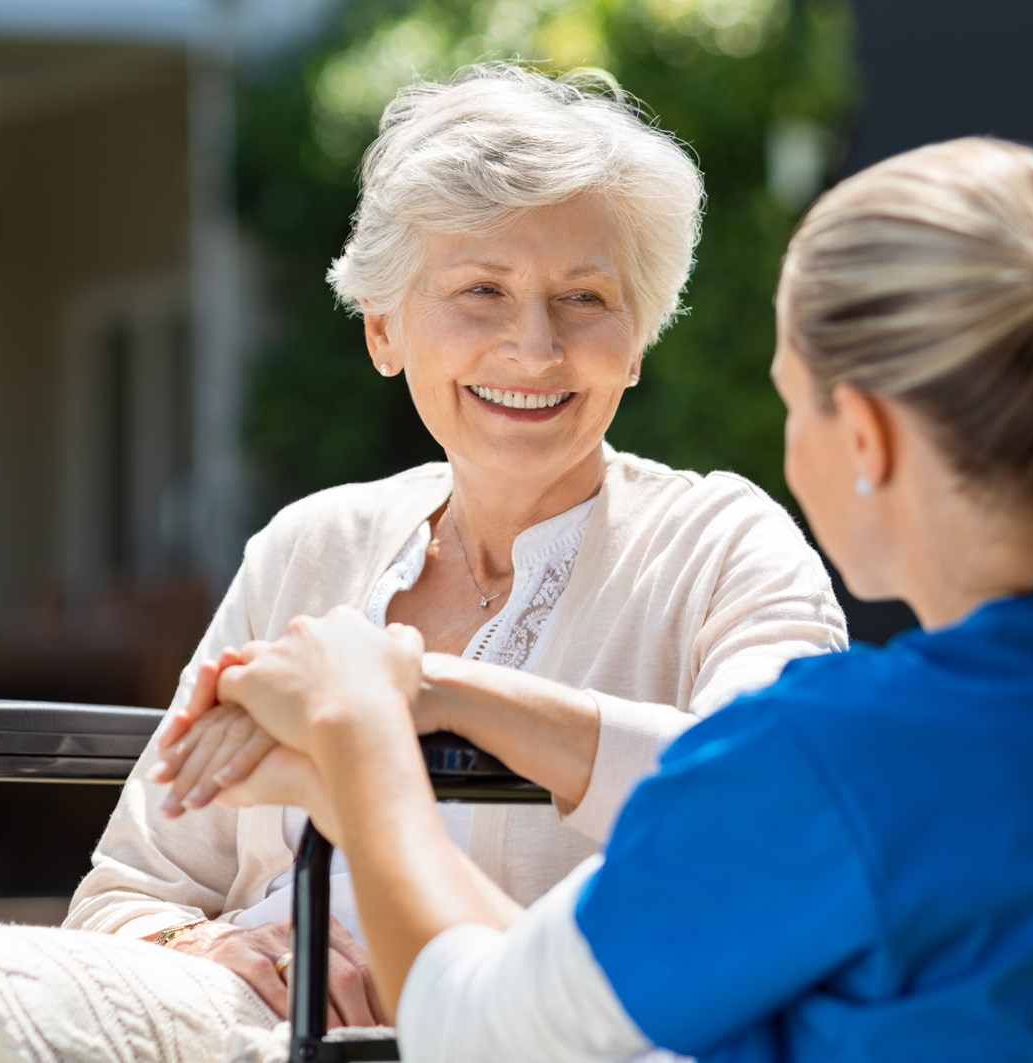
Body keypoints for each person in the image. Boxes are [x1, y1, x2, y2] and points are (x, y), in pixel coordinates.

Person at [193, 137, 1033, 1060]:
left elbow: (484, 1029)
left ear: (861, 436)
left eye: (788, 402)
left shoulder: (840, 761)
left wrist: (359, 734)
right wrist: (435, 691)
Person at [65, 62, 847, 1030]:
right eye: (481, 290)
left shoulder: (725, 544)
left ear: (637, 340)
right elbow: (125, 893)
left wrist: (422, 691)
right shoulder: (308, 548)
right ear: (383, 329)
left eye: (585, 299)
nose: (534, 347)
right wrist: (215, 947)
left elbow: (771, 807)